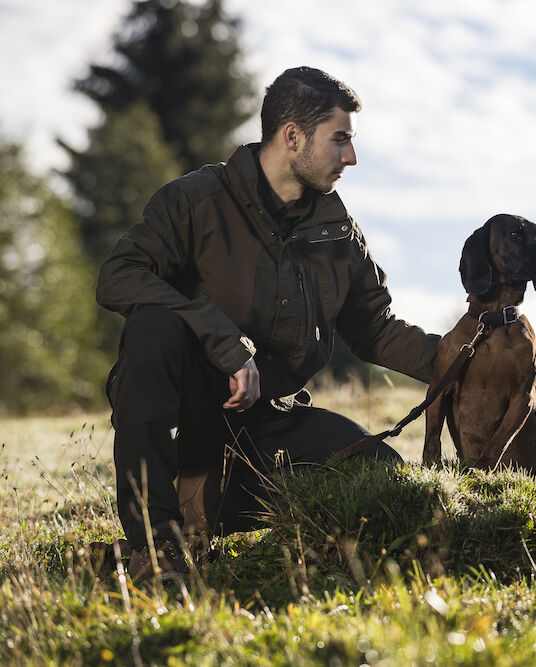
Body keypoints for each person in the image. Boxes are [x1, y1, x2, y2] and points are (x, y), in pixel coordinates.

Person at [95, 66, 439, 580]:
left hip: (268, 426)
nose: (351, 157)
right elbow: (118, 277)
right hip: (187, 427)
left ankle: (220, 522)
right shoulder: (195, 201)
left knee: (385, 478)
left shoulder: (338, 233)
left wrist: (469, 355)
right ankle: (155, 546)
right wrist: (225, 340)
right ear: (292, 136)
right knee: (152, 327)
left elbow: (374, 328)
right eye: (340, 140)